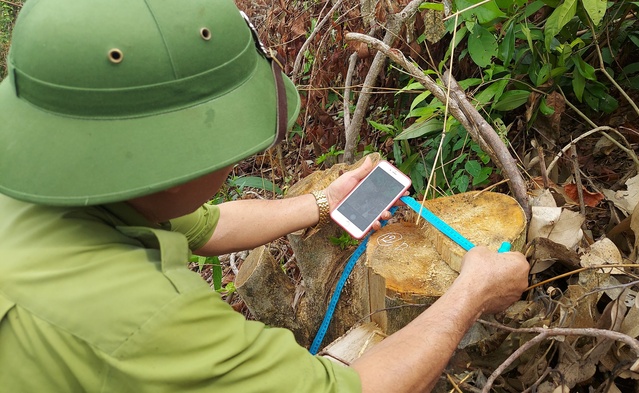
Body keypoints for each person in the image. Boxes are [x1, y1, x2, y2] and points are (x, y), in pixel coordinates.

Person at [0, 0, 530, 392]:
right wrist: (471, 294)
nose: (235, 161)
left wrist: (323, 202)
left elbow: (207, 225)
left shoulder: (57, 185)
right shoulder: (145, 316)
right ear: (176, 160)